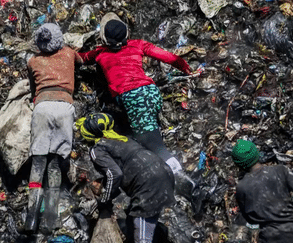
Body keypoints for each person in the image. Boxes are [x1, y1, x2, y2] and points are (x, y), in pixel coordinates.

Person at [78, 12, 191, 178]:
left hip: (134, 98)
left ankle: (181, 178)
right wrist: (184, 66)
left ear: (105, 39)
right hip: (151, 92)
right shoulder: (137, 44)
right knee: (148, 131)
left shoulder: (100, 53)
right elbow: (166, 56)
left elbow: (82, 58)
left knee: (154, 144)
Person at [76, 113, 175, 243]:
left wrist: (104, 200)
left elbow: (114, 174)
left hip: (148, 184)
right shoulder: (122, 139)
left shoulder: (97, 149)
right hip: (165, 172)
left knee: (143, 237)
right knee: (134, 219)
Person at [25, 23, 83, 234]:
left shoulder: (32, 61)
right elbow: (83, 61)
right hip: (64, 107)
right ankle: (51, 217)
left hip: (41, 107)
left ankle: (31, 219)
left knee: (38, 161)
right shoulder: (68, 53)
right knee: (56, 163)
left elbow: (33, 89)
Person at [232, 139, 293, 243]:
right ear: (256, 154)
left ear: (238, 164)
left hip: (269, 237)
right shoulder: (280, 170)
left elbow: (249, 218)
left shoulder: (241, 187)